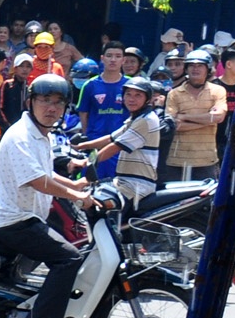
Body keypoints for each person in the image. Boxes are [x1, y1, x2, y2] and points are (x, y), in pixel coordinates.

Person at [0, 72, 90, 318]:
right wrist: (75, 195)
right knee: (68, 259)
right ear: (31, 102)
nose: (51, 108)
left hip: (25, 217)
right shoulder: (21, 136)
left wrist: (77, 184)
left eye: (58, 102)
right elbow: (37, 181)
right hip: (13, 221)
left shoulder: (40, 135)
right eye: (45, 100)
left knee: (20, 278)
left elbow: (47, 173)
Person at [75, 76, 165, 206]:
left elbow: (115, 146)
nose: (131, 99)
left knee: (96, 204)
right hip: (124, 181)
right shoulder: (135, 119)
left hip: (136, 185)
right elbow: (111, 137)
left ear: (147, 99)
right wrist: (81, 146)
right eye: (128, 94)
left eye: (138, 95)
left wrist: (86, 162)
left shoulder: (146, 120)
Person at [166, 51, 226, 179]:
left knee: (206, 198)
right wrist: (208, 120)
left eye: (200, 65)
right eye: (192, 65)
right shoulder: (174, 94)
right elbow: (173, 124)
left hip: (206, 159)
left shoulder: (217, 91)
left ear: (208, 69)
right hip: (177, 159)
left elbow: (218, 117)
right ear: (186, 68)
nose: (195, 68)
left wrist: (184, 117)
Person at [76, 41, 130, 178]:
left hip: (121, 145)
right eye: (109, 55)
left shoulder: (131, 85)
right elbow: (84, 114)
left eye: (118, 56)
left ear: (123, 60)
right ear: (102, 58)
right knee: (90, 183)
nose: (113, 60)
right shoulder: (90, 85)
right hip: (95, 144)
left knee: (117, 186)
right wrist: (88, 137)